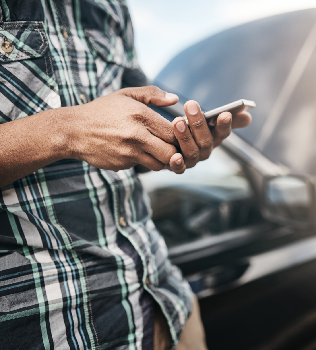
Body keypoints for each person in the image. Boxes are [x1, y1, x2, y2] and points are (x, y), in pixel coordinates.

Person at [0, 1, 251, 349]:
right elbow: (84, 129)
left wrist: (177, 142)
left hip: (168, 305)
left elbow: (134, 128)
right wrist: (65, 131)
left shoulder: (111, 7)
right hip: (50, 329)